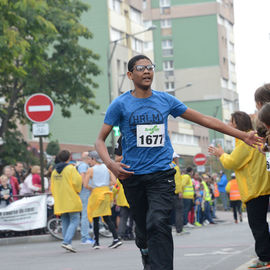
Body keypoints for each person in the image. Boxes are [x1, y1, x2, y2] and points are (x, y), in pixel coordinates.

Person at [95, 55, 262, 270]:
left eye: (150, 67)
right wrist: (111, 164)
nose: (147, 71)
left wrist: (241, 135)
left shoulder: (165, 100)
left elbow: (205, 119)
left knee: (158, 223)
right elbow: (99, 140)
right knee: (144, 231)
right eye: (140, 68)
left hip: (162, 174)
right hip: (132, 176)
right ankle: (145, 250)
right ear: (130, 75)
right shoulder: (120, 105)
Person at [209, 111, 270, 269]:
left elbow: (232, 162)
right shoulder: (249, 139)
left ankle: (265, 257)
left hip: (255, 189)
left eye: (231, 122)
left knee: (257, 225)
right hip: (259, 187)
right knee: (260, 224)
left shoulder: (245, 141)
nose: (229, 125)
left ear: (238, 124)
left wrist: (221, 154)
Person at [84, 151, 122, 249]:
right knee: (106, 217)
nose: (89, 161)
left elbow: (85, 184)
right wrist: (105, 185)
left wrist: (94, 188)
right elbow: (114, 181)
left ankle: (96, 242)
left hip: (96, 195)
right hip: (106, 194)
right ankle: (116, 238)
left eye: (89, 159)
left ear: (94, 159)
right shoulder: (107, 168)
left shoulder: (90, 170)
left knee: (96, 218)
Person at [51, 150, 82, 253]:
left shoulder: (54, 171)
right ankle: (66, 241)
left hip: (60, 199)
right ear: (69, 158)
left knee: (65, 221)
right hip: (71, 198)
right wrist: (78, 190)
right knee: (74, 220)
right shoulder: (71, 169)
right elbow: (77, 182)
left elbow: (52, 187)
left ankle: (67, 242)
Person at [77, 152, 94, 245]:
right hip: (85, 193)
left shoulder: (82, 165)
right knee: (85, 214)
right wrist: (90, 187)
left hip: (84, 192)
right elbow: (83, 179)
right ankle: (85, 237)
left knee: (86, 214)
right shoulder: (84, 166)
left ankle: (85, 236)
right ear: (88, 158)